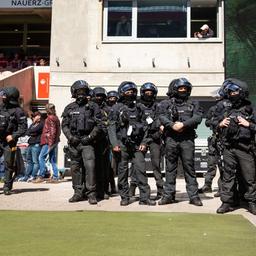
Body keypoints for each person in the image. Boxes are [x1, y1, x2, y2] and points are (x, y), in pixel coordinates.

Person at [108, 81, 156, 206]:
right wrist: (114, 144)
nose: (131, 94)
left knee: (141, 170)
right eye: (128, 92)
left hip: (137, 145)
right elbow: (111, 127)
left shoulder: (140, 108)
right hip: (122, 144)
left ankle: (144, 198)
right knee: (122, 172)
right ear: (122, 93)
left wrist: (144, 142)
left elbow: (146, 126)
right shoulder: (116, 108)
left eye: (133, 92)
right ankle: (124, 197)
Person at [158, 78, 203, 206]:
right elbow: (161, 116)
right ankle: (168, 195)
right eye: (180, 88)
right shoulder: (166, 103)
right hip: (171, 139)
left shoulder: (194, 103)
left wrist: (183, 124)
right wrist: (172, 125)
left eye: (185, 88)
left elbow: (198, 117)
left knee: (189, 168)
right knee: (170, 168)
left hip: (187, 139)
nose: (183, 90)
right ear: (174, 89)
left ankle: (194, 196)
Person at [215, 79, 256, 215]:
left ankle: (252, 203)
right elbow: (214, 124)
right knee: (228, 177)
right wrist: (220, 124)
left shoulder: (251, 110)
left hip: (245, 148)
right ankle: (226, 203)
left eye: (235, 91)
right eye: (231, 92)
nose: (233, 94)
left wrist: (248, 124)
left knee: (249, 178)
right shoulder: (226, 109)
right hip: (229, 148)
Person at [62, 80, 101, 204]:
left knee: (90, 167)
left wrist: (90, 137)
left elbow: (99, 125)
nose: (81, 94)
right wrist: (70, 137)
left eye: (83, 91)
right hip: (74, 143)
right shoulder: (69, 108)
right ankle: (78, 193)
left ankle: (91, 194)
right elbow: (65, 125)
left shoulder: (93, 107)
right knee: (75, 168)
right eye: (79, 91)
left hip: (87, 143)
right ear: (74, 92)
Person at [129, 82, 164, 200]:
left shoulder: (158, 107)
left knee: (156, 164)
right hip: (140, 139)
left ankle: (161, 191)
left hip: (155, 138)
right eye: (146, 93)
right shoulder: (137, 106)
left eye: (151, 93)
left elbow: (160, 122)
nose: (148, 95)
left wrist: (159, 131)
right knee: (136, 165)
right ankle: (132, 190)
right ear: (142, 93)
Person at [0, 87, 27, 195]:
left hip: (10, 142)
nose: (2, 97)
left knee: (9, 164)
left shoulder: (19, 111)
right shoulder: (1, 108)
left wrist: (13, 136)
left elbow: (23, 128)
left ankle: (7, 186)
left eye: (4, 95)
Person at [33, 103, 61, 183]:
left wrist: (50, 143)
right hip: (53, 141)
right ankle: (55, 177)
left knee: (41, 157)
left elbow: (53, 131)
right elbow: (58, 131)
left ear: (47, 110)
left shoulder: (50, 118)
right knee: (52, 160)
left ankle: (41, 176)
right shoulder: (55, 118)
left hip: (48, 141)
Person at [93, 86, 111, 200]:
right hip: (91, 141)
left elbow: (109, 125)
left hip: (103, 142)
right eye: (97, 96)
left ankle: (104, 190)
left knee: (104, 168)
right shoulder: (89, 107)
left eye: (101, 96)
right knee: (90, 168)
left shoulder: (107, 110)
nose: (99, 98)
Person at [21, 111, 44, 182]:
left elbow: (35, 130)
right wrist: (32, 131)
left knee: (35, 161)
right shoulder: (33, 124)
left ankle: (33, 176)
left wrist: (31, 132)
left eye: (37, 115)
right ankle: (26, 176)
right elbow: (27, 132)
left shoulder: (42, 124)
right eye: (35, 116)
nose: (36, 117)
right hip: (30, 144)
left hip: (36, 144)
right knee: (29, 161)